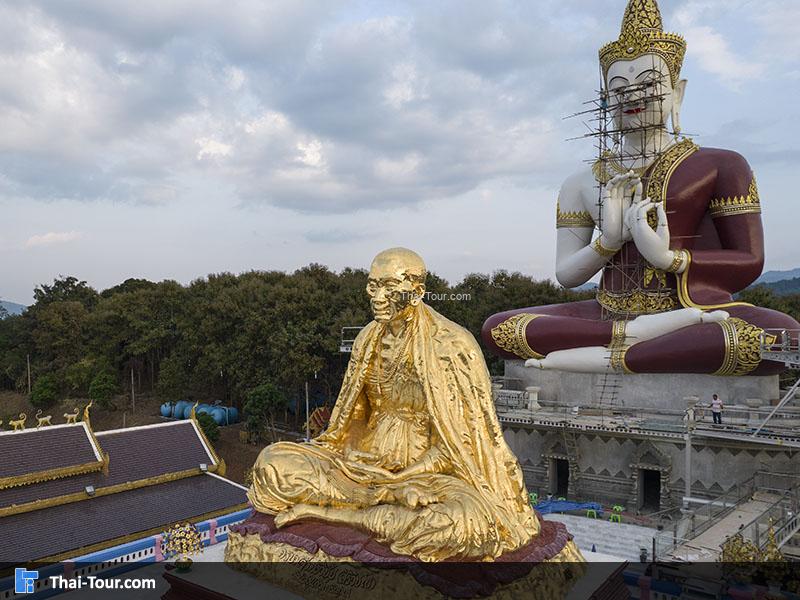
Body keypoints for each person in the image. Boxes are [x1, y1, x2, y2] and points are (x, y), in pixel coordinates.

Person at [481, 0, 798, 376]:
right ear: (605, 100)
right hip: (607, 309)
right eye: (619, 89)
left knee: (781, 336)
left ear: (676, 93)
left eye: (648, 84)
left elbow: (749, 261)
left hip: (693, 310)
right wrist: (607, 243)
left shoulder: (723, 165)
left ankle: (623, 355)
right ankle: (632, 335)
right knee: (499, 329)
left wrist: (668, 259)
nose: (633, 96)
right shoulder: (579, 183)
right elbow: (567, 275)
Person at [244, 248, 566, 562]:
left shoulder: (450, 345)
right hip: (361, 470)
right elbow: (351, 418)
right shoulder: (367, 339)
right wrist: (358, 461)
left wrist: (403, 478)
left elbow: (457, 445)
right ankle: (371, 504)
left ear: (417, 291)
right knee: (271, 464)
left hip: (425, 476)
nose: (377, 296)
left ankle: (332, 511)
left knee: (460, 525)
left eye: (389, 286)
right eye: (373, 285)